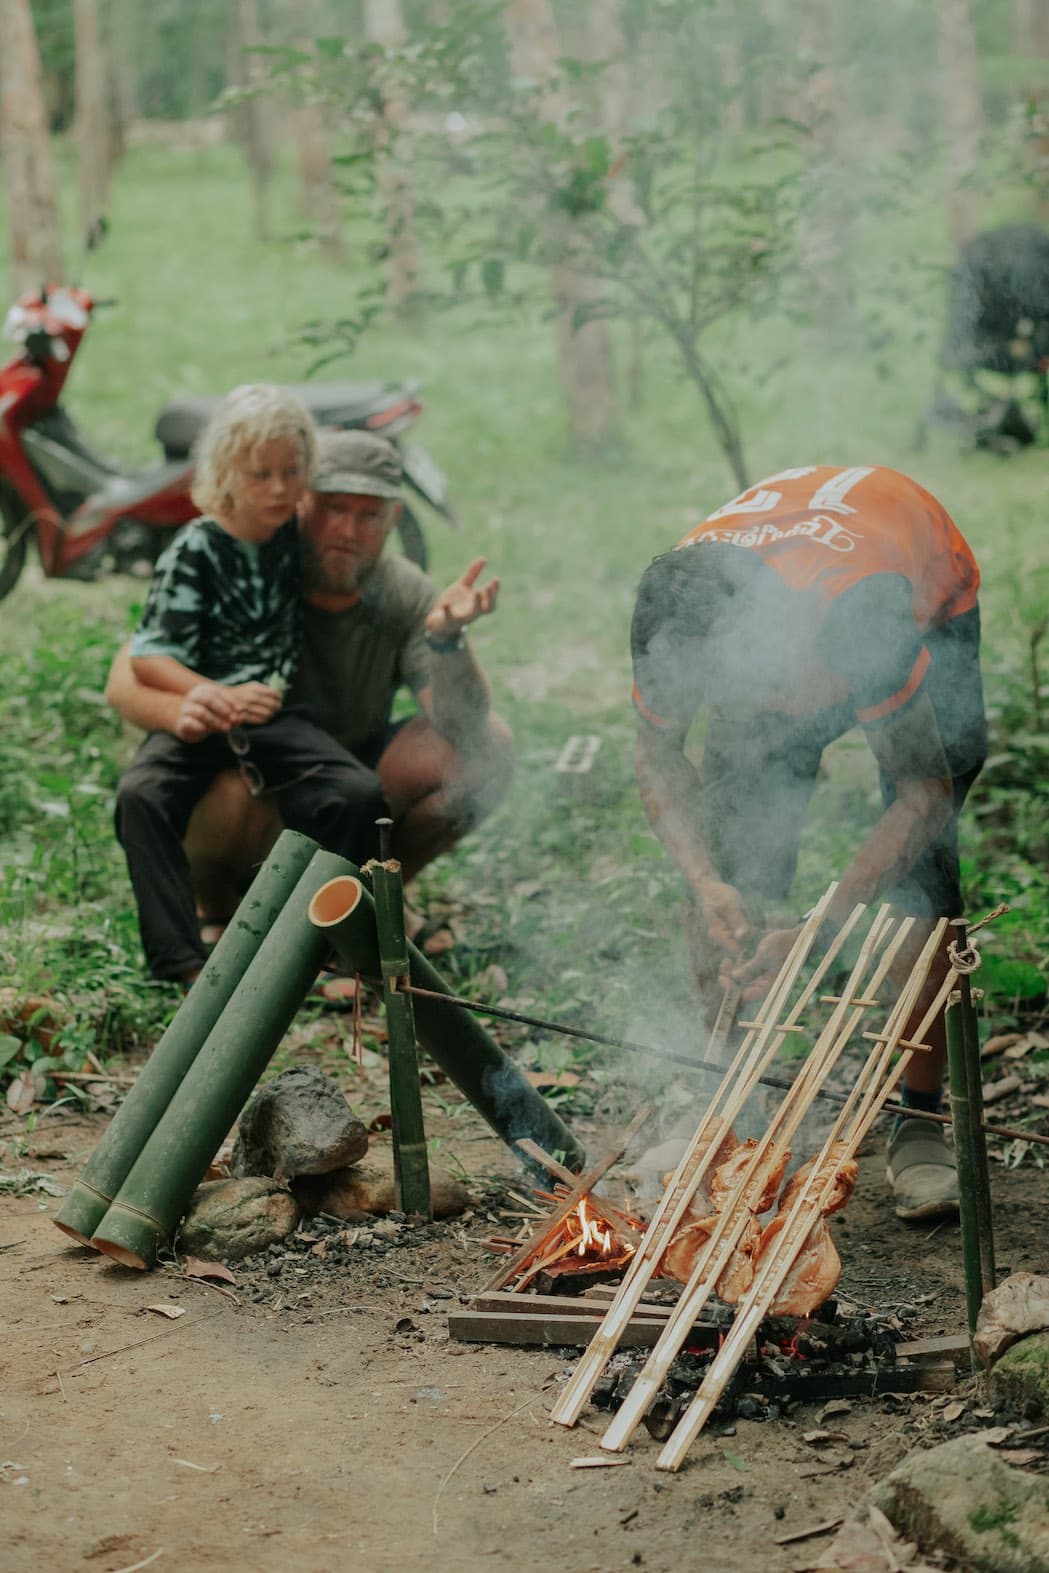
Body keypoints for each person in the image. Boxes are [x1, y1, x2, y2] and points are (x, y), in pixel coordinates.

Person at [629, 464, 987, 1222]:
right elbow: (657, 759)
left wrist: (820, 929)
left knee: (918, 878)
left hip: (919, 588)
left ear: (764, 641)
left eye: (727, 686)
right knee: (731, 856)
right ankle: (730, 1106)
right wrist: (707, 882)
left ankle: (919, 1119)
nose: (715, 703)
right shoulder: (673, 621)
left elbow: (925, 792)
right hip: (791, 634)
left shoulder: (861, 620)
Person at [106, 429, 513, 967]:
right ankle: (221, 909)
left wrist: (447, 641)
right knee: (214, 793)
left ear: (392, 522)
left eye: (369, 516)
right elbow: (124, 676)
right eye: (333, 508)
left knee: (487, 750)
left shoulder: (403, 590)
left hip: (344, 787)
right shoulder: (249, 559)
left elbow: (462, 722)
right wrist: (187, 707)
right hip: (246, 779)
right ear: (300, 504)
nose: (347, 530)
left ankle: (365, 901)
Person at [115, 389, 395, 985]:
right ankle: (180, 962)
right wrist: (207, 694)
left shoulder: (292, 538)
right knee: (142, 797)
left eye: (292, 472)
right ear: (225, 474)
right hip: (207, 709)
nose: (278, 488)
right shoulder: (197, 549)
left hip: (272, 714)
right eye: (260, 474)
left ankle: (310, 943)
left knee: (358, 794)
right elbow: (151, 657)